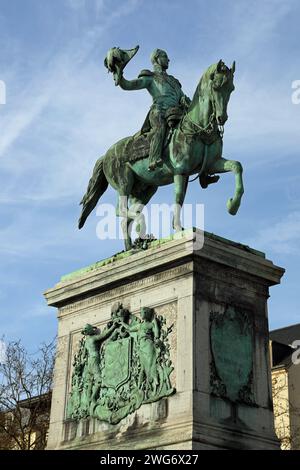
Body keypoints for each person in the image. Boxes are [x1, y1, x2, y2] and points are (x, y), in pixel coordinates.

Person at [113, 48, 191, 171]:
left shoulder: (174, 81)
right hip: (159, 111)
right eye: (165, 56)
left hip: (176, 113)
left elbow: (184, 98)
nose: (168, 59)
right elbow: (129, 85)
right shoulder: (151, 77)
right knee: (159, 128)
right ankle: (154, 158)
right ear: (156, 59)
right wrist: (119, 75)